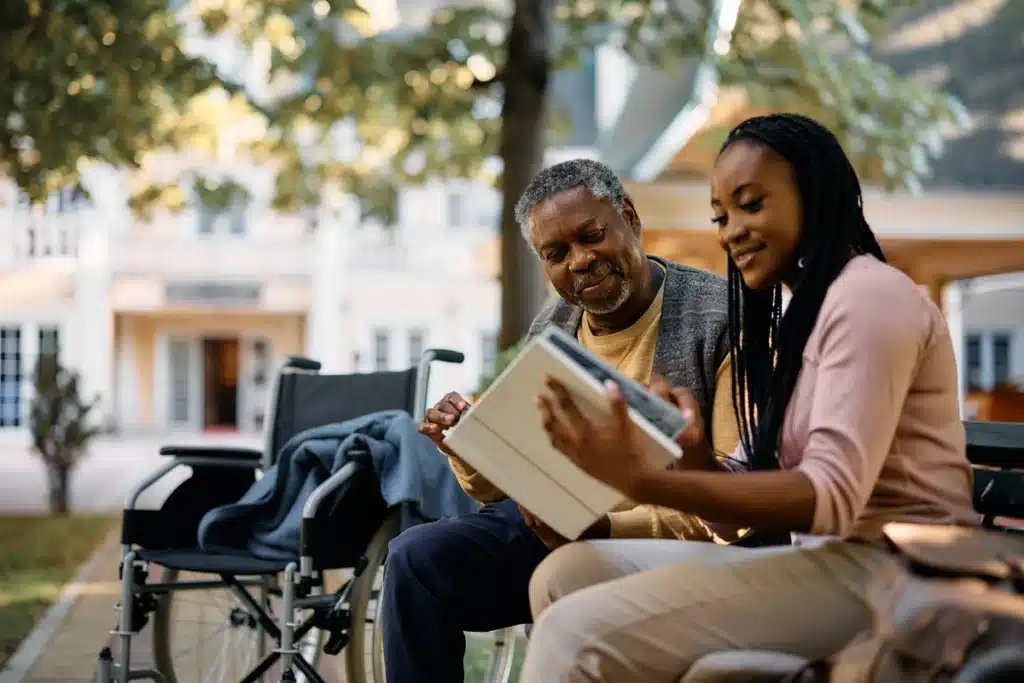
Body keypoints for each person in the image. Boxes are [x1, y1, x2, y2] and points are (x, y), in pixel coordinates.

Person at [520, 113, 981, 682]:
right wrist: (694, 459)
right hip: (828, 560)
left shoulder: (869, 299)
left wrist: (643, 481)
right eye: (721, 215)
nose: (731, 229)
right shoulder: (806, 315)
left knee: (576, 630)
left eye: (752, 204)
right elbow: (736, 498)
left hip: (895, 570)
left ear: (811, 193)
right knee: (565, 574)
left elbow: (829, 496)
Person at [380, 158, 741, 683]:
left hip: (668, 534)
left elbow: (732, 493)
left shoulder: (720, 318)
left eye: (591, 236)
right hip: (557, 523)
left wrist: (607, 528)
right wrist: (463, 444)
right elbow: (503, 488)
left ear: (629, 218)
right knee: (415, 560)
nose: (580, 261)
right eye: (556, 253)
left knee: (568, 573)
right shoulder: (554, 325)